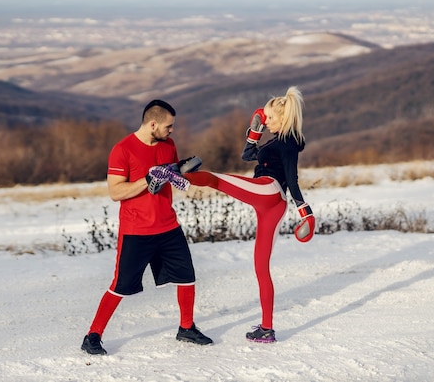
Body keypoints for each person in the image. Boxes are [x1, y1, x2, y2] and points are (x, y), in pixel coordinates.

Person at [182, 86, 315, 343]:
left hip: (269, 191)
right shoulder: (274, 140)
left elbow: (292, 178)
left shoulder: (288, 141)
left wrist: (304, 211)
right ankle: (267, 329)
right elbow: (246, 155)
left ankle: (177, 175)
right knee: (261, 267)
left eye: (270, 119)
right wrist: (255, 130)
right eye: (265, 119)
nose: (267, 122)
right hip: (271, 204)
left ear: (283, 119)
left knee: (216, 180)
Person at [81, 99, 213, 356]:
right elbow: (115, 192)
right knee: (120, 285)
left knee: (187, 277)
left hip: (168, 226)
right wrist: (147, 178)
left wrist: (182, 171)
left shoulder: (168, 145)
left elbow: (171, 176)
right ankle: (92, 336)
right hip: (136, 232)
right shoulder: (122, 150)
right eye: (168, 126)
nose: (172, 131)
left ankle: (186, 328)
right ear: (152, 124)